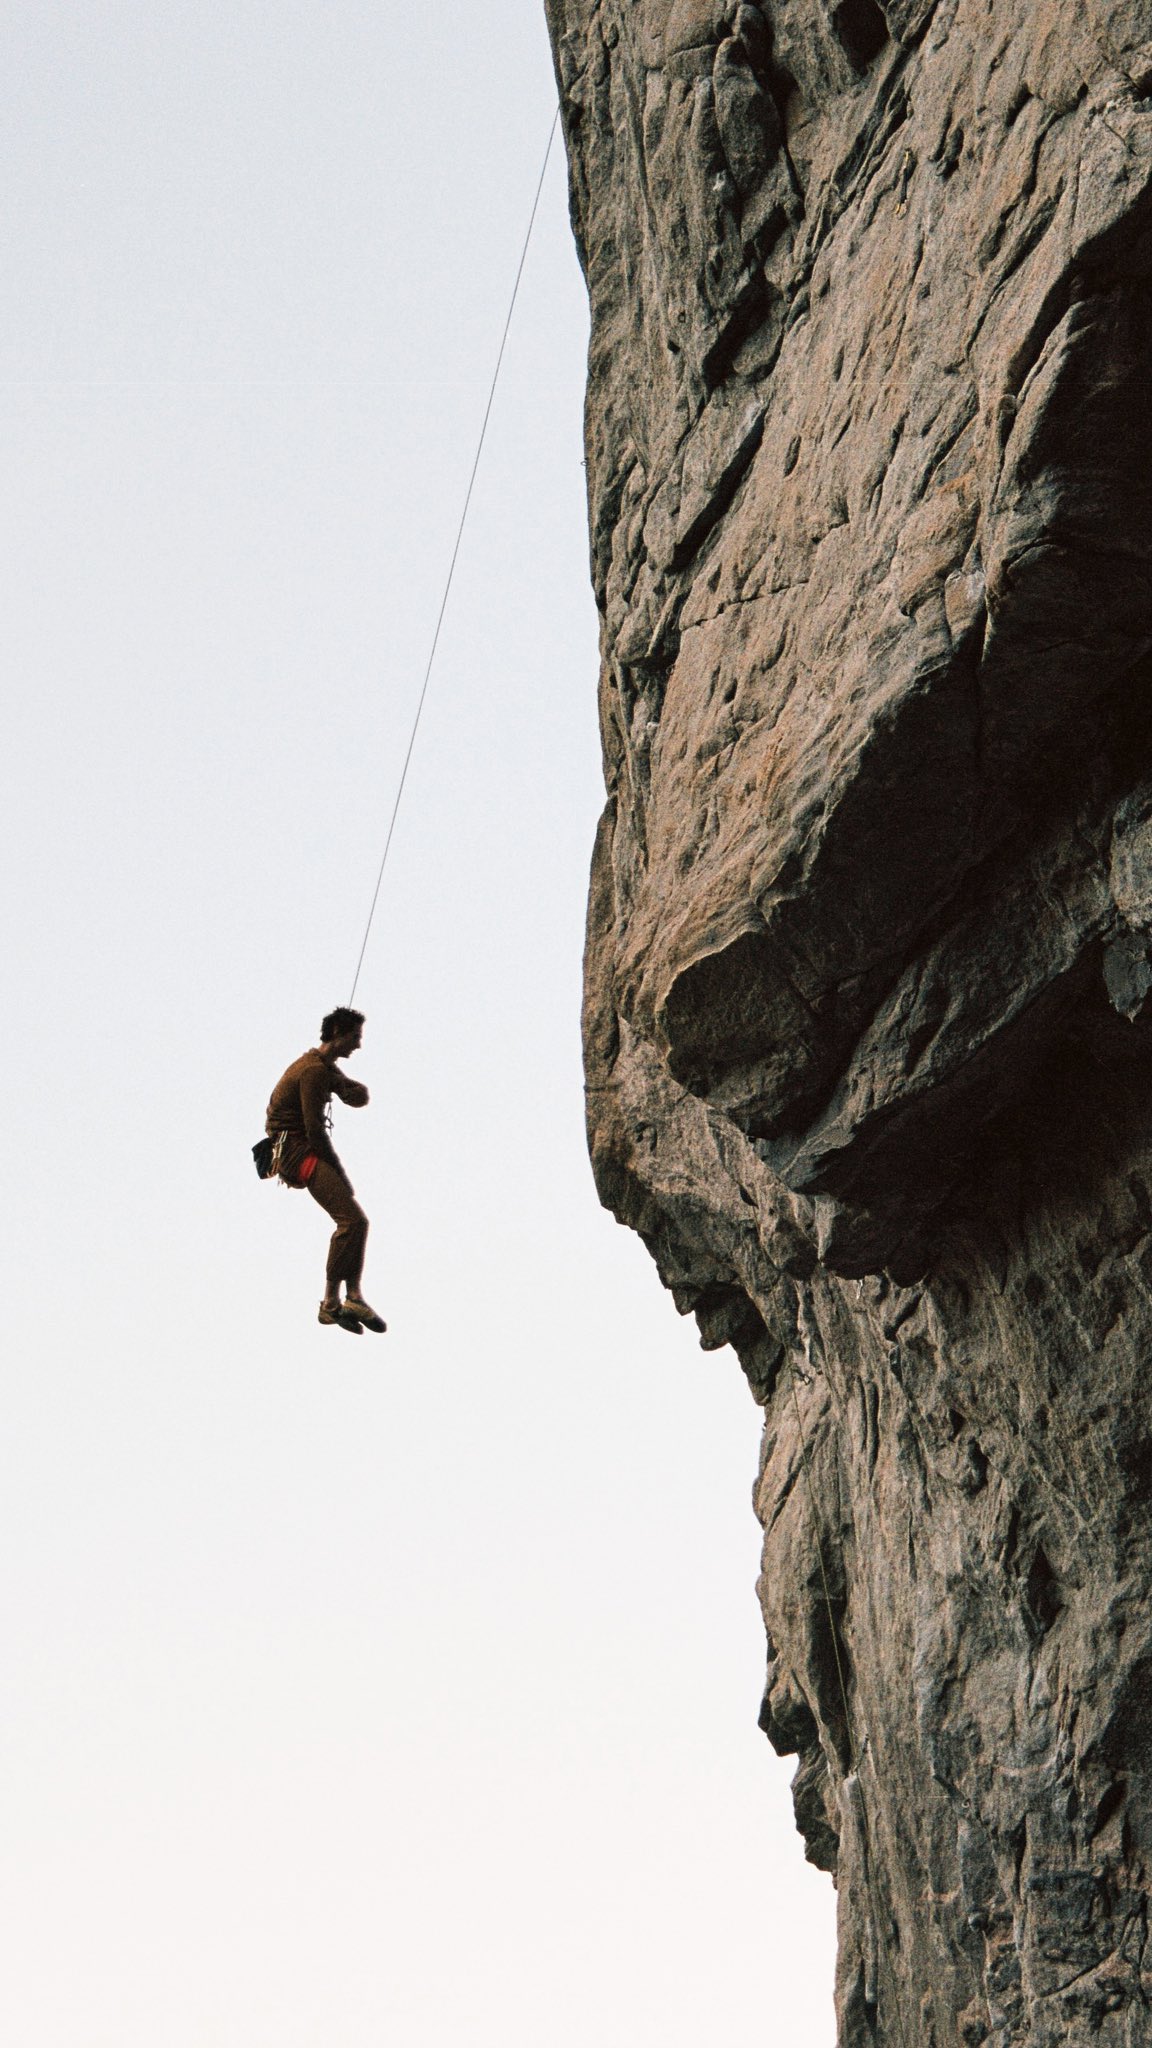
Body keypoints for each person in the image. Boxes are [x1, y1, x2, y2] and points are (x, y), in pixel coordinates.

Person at [265, 1007, 386, 1335]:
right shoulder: (313, 1072)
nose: (358, 1045)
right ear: (338, 1033)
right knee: (352, 1220)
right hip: (297, 1152)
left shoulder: (321, 1066)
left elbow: (354, 1096)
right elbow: (315, 1130)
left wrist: (352, 1090)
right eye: (355, 1037)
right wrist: (340, 1173)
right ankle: (341, 1298)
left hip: (298, 1149)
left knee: (355, 1223)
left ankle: (338, 1301)